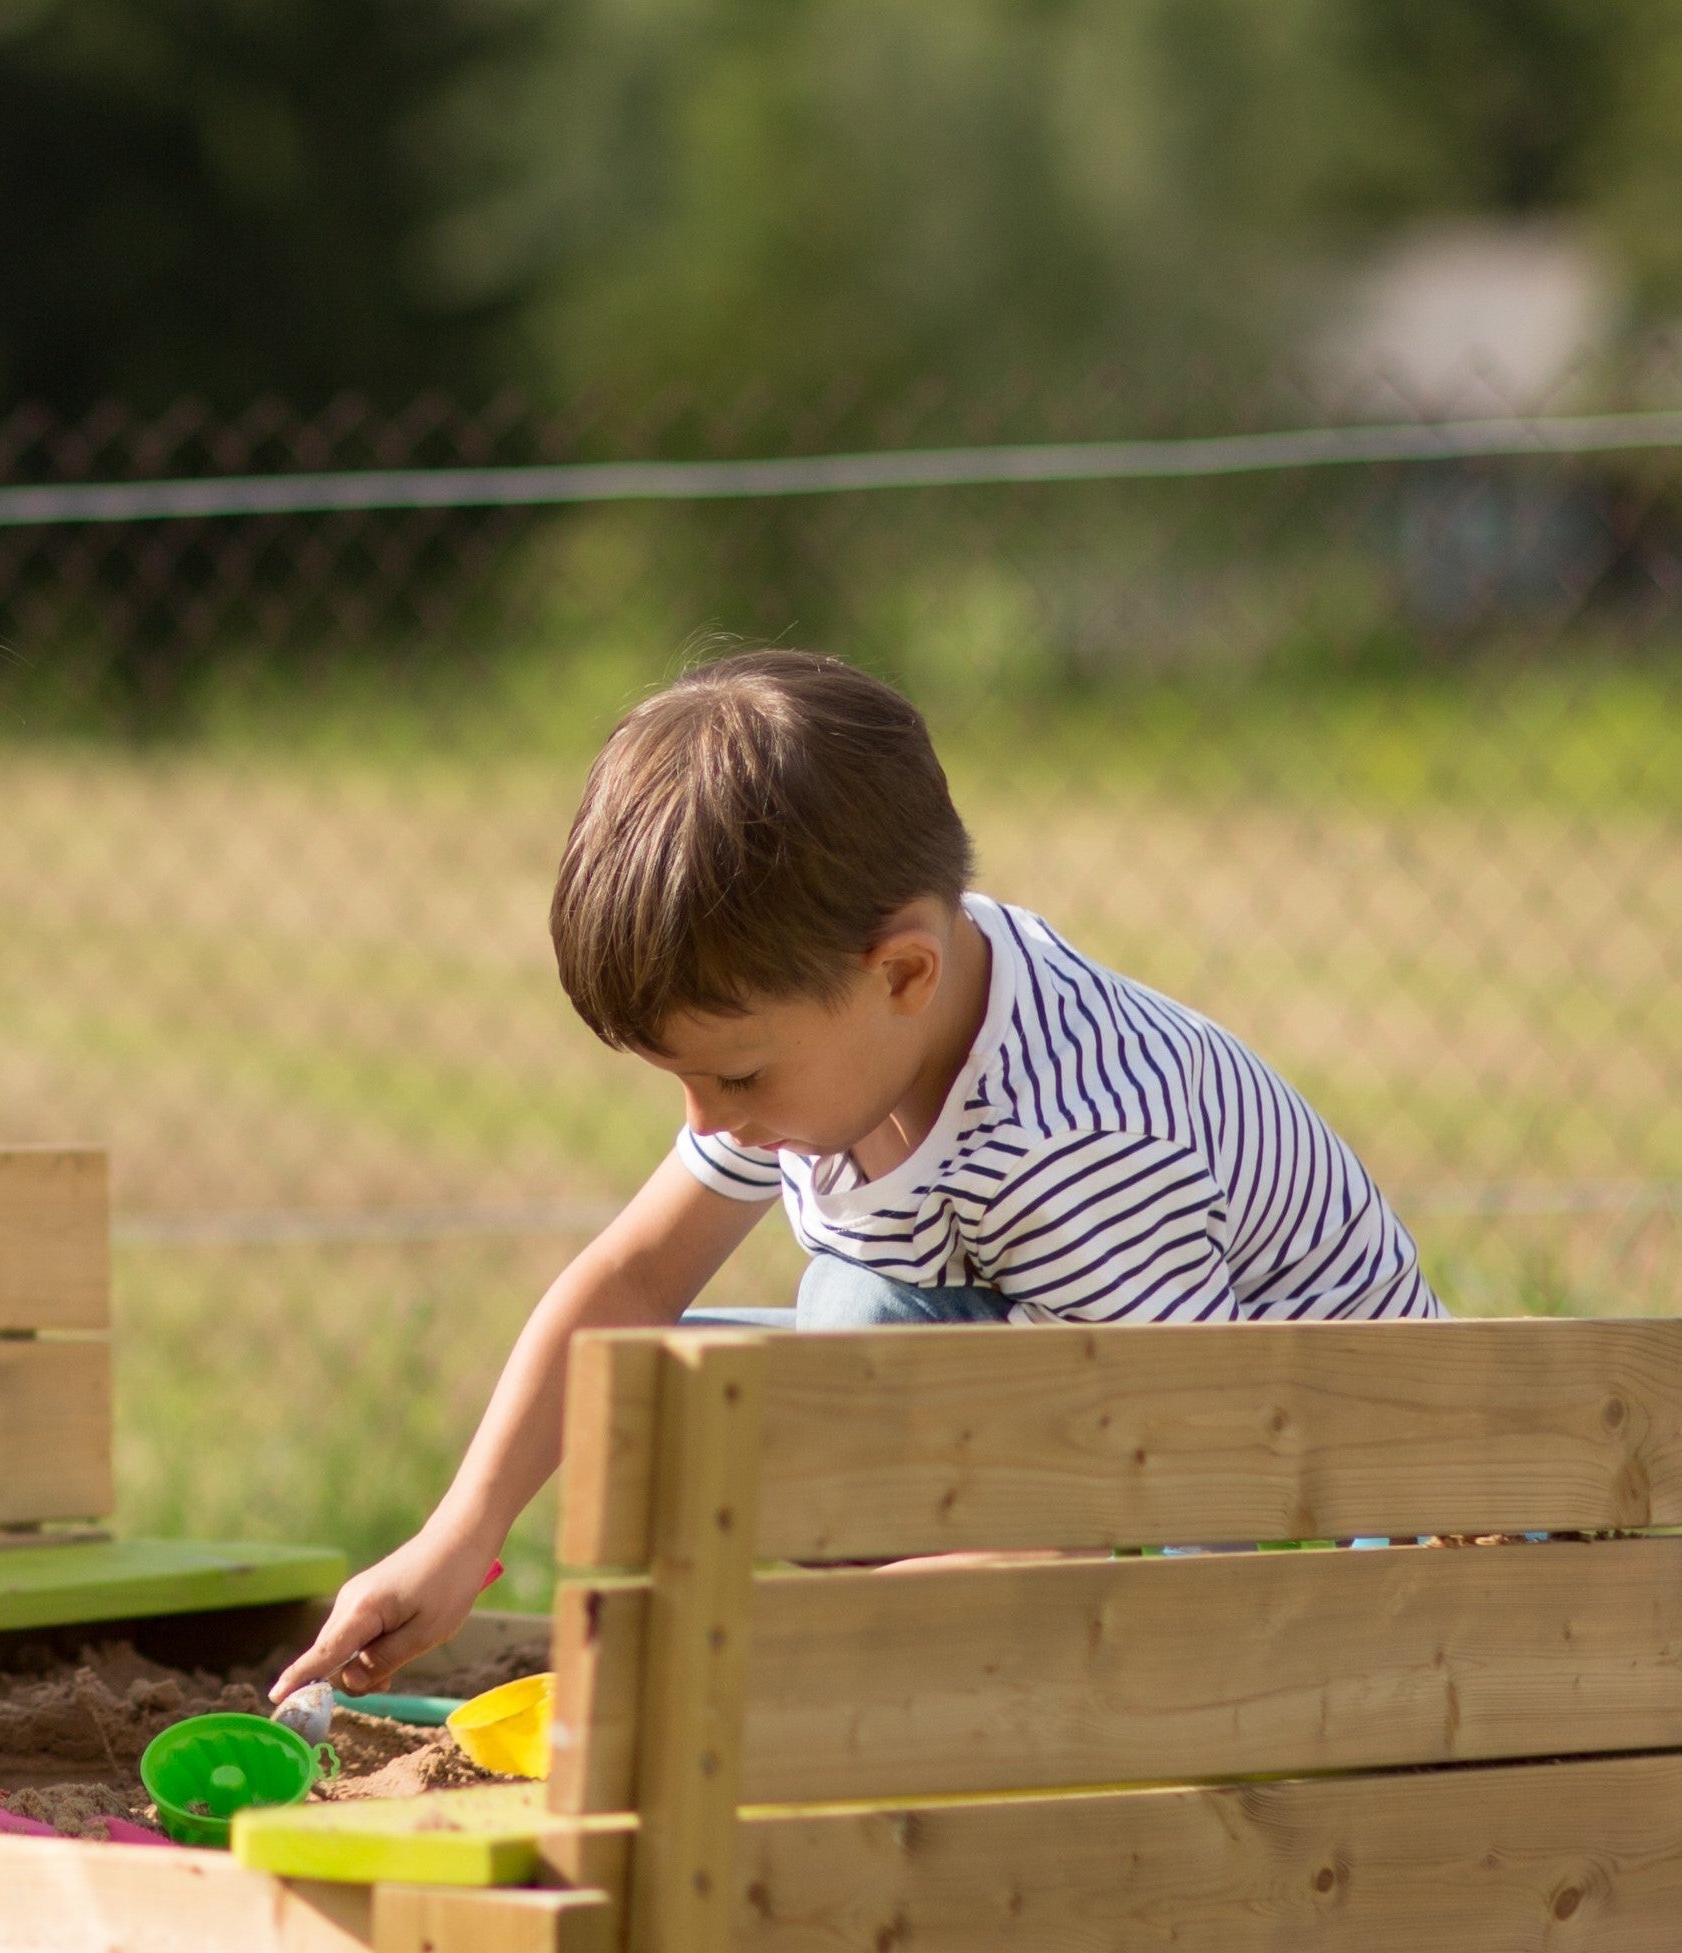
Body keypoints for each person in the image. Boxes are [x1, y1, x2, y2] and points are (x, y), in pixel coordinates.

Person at [274, 647, 1441, 1706]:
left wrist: (812, 1647)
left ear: (902, 974)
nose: (709, 1122)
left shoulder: (1072, 1141)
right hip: (1108, 1431)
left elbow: (1187, 1495)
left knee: (821, 1369)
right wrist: (457, 1533)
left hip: (1341, 1534)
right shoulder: (861, 1028)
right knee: (706, 1387)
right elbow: (632, 1281)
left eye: (733, 1078)